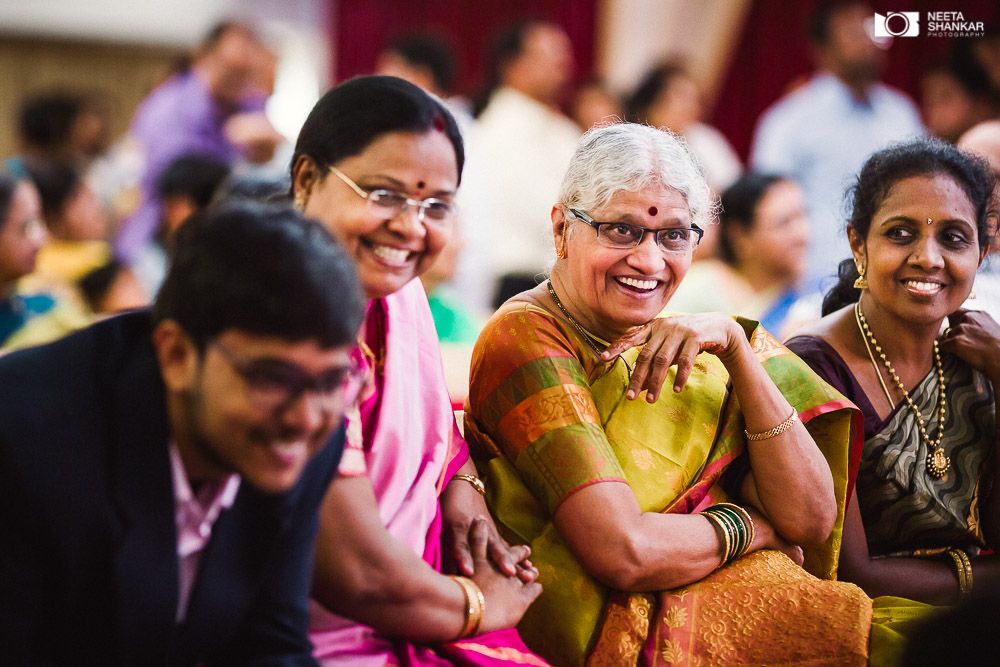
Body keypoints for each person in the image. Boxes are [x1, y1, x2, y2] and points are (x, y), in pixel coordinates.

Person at [465, 123, 876, 666]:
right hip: (617, 633)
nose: (650, 261)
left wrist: (738, 353)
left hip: (746, 605)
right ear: (562, 229)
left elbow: (812, 520)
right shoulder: (527, 337)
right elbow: (624, 551)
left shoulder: (697, 340)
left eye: (674, 235)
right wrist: (751, 523)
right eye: (622, 230)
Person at [0, 202, 367, 664]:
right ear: (176, 355)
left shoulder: (308, 440)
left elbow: (272, 643)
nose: (307, 418)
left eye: (331, 381)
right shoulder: (26, 444)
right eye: (273, 378)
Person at [289, 75, 544, 665]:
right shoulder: (284, 323)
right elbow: (353, 571)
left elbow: (430, 429)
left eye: (436, 206)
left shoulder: (395, 296)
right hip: (312, 637)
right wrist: (480, 605)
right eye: (384, 194)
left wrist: (462, 489)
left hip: (404, 605)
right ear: (307, 179)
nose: (411, 226)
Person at [785, 139, 999, 608]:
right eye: (901, 233)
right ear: (858, 243)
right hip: (869, 625)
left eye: (953, 237)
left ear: (982, 252)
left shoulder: (980, 358)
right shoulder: (810, 370)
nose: (929, 257)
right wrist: (983, 583)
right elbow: (849, 570)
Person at [750, 0, 924, 287]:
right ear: (821, 49)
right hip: (818, 283)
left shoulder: (902, 114)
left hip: (899, 277)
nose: (870, 39)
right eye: (853, 30)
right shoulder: (789, 121)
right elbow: (768, 208)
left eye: (873, 28)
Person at [115, 21, 281, 263]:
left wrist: (268, 152)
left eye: (246, 72)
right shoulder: (168, 108)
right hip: (159, 243)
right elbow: (174, 189)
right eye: (232, 69)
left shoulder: (248, 106)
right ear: (203, 58)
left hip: (223, 239)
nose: (239, 80)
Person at [473, 20, 580, 308]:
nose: (564, 67)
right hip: (520, 277)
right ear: (513, 65)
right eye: (551, 58)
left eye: (564, 58)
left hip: (559, 272)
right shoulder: (498, 128)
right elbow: (543, 208)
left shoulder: (560, 128)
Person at [668, 173, 810, 338]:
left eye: (803, 216)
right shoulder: (699, 288)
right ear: (740, 237)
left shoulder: (806, 293)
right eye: (784, 223)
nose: (803, 234)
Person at [626, 62, 742, 196]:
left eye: (694, 99)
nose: (690, 107)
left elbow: (733, 190)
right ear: (651, 105)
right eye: (681, 97)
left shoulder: (706, 139)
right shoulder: (631, 145)